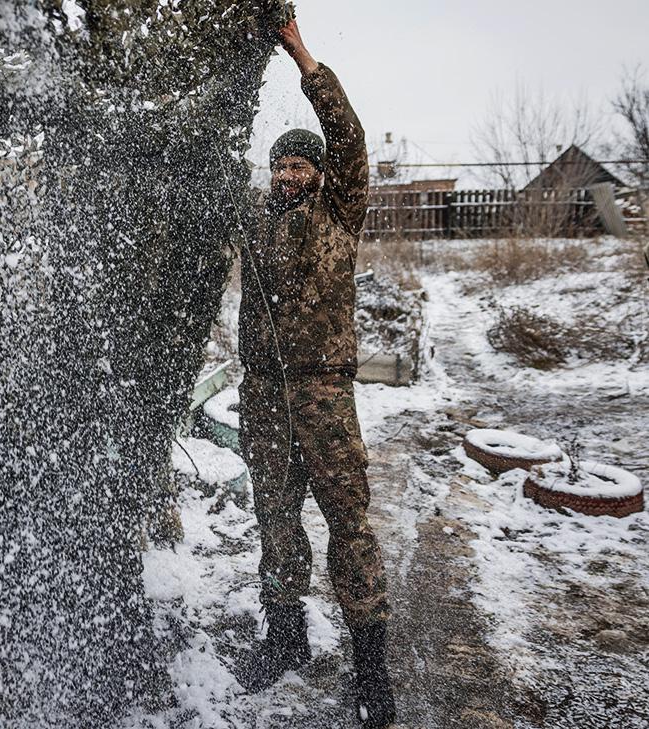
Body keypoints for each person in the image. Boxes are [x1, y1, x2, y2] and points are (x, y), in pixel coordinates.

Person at [235, 19, 396, 728]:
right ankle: (286, 637)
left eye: (299, 165)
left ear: (321, 175)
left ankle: (370, 667)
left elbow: (348, 132)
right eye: (280, 166)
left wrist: (301, 55)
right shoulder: (256, 220)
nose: (287, 174)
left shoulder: (340, 211)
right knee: (275, 518)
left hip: (324, 396)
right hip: (265, 398)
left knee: (348, 524)